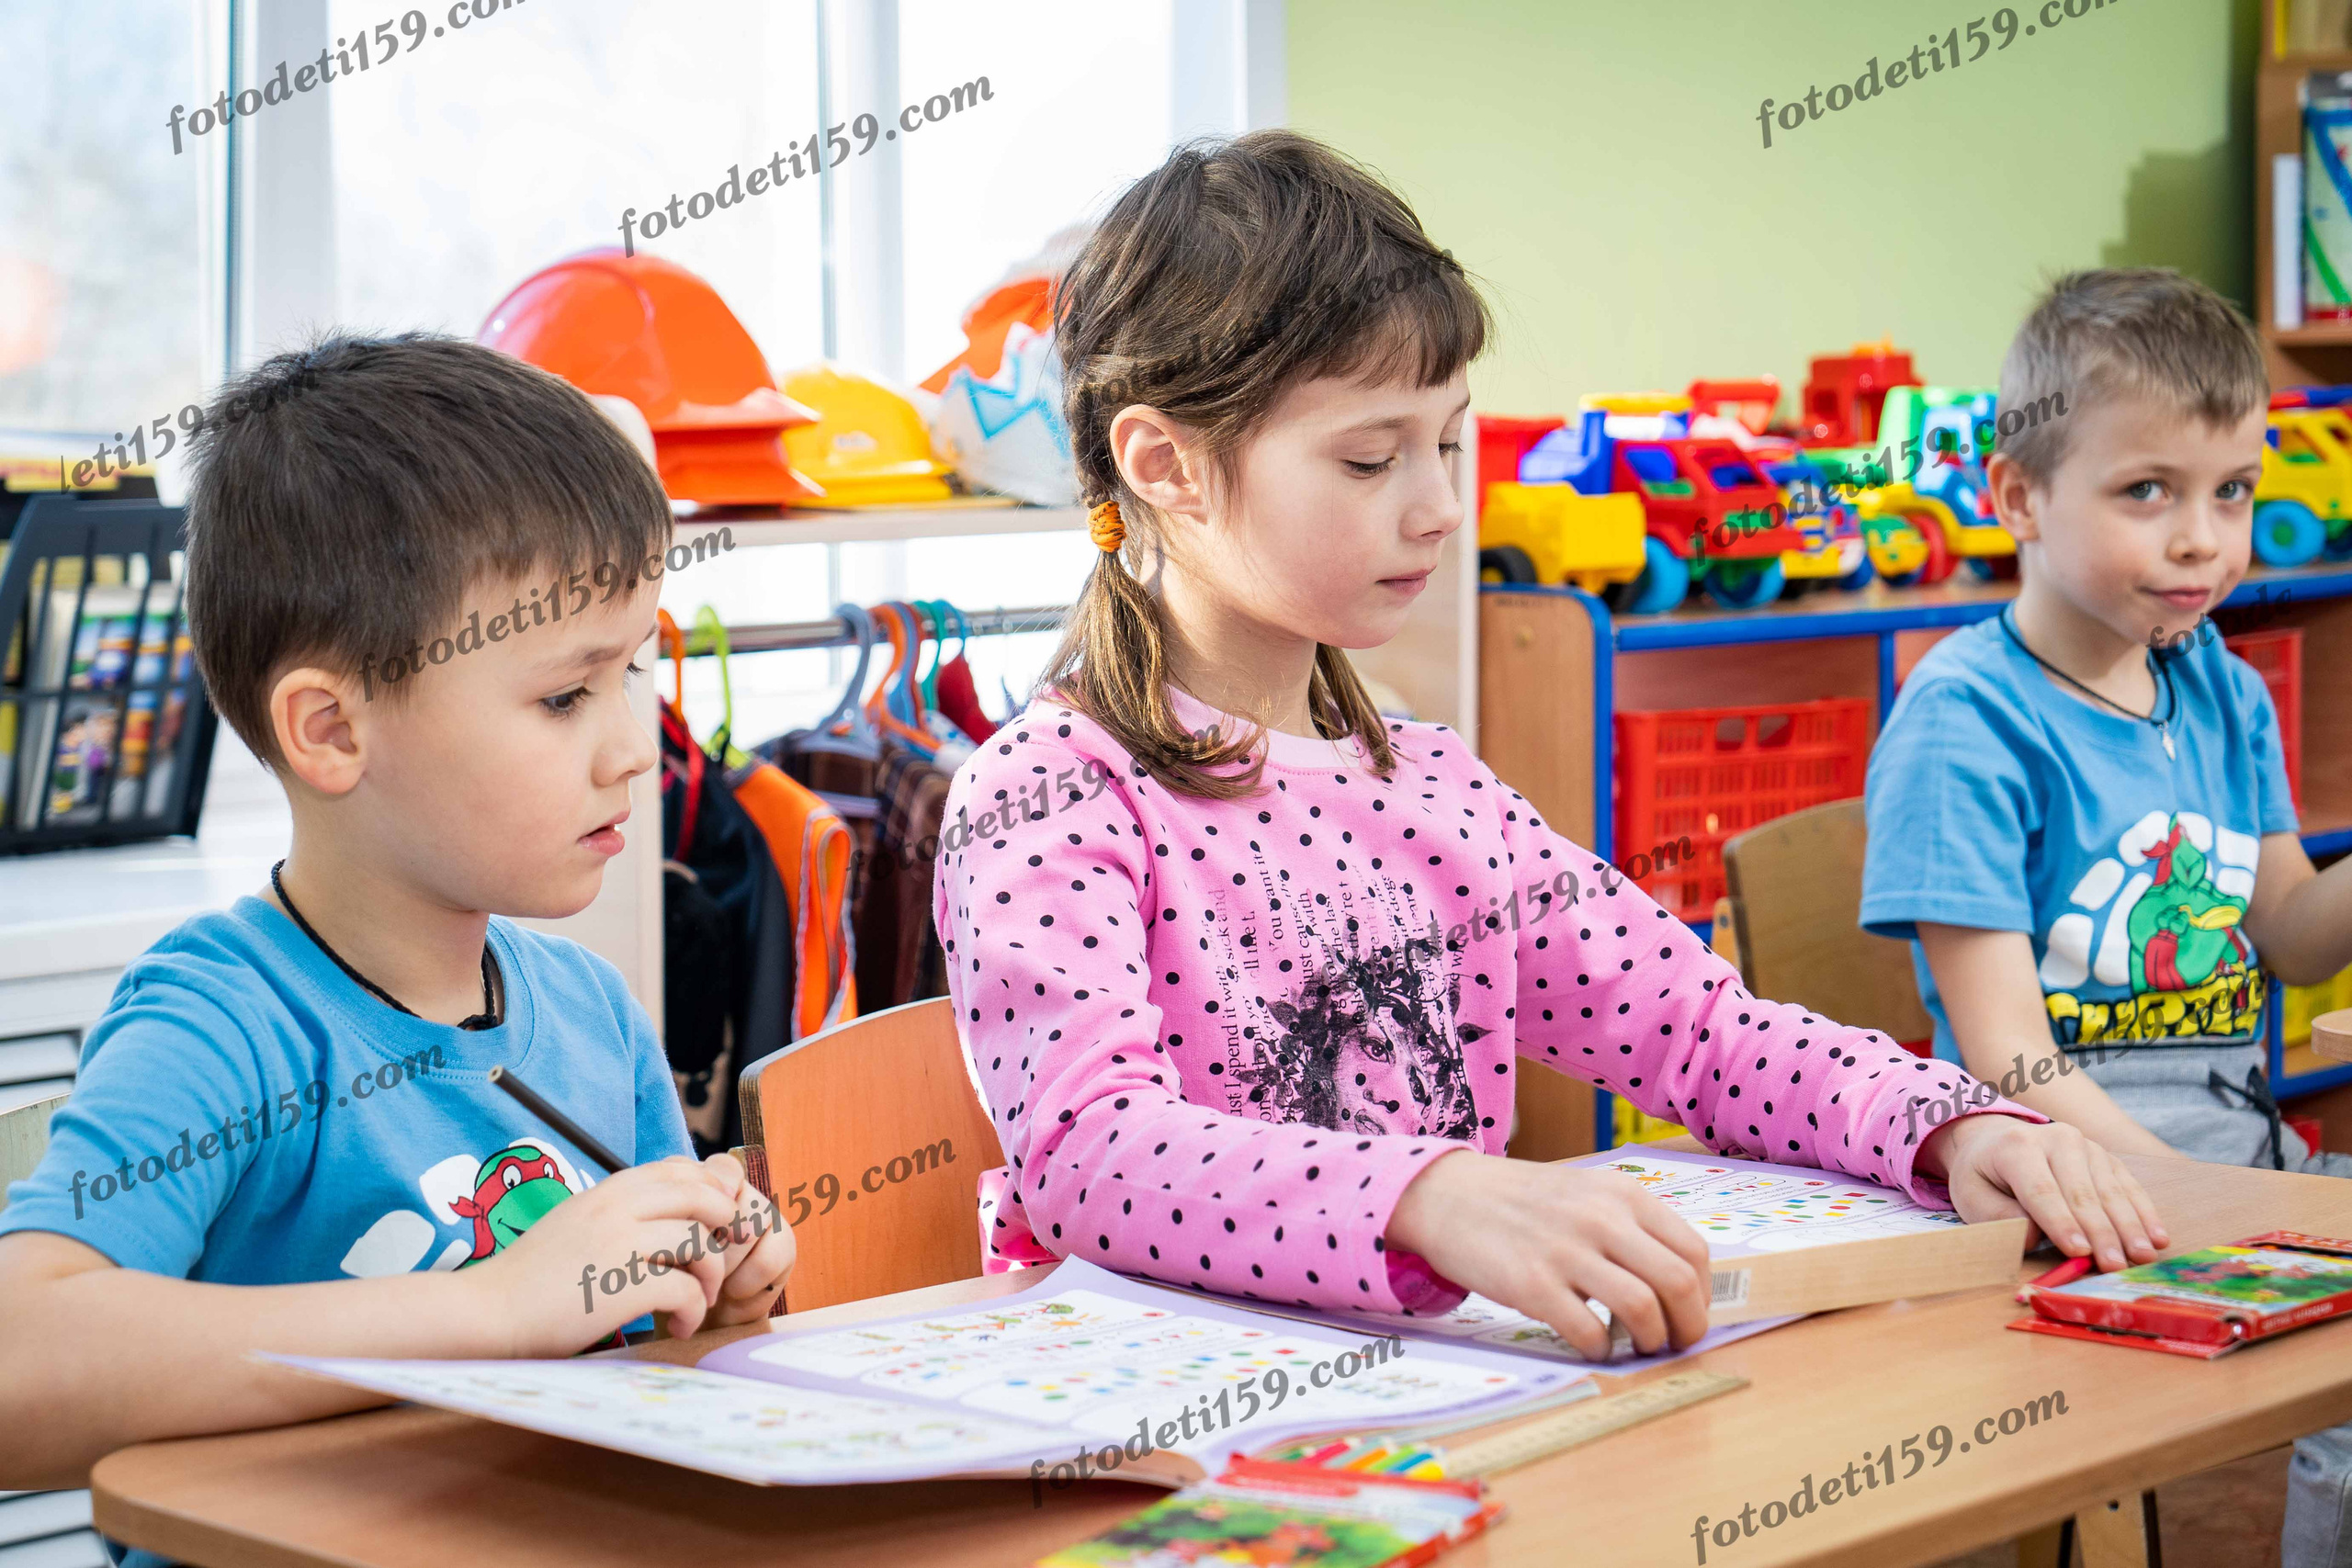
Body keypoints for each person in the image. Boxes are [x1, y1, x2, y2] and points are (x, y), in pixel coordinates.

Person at [933, 131, 2161, 1371]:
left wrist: (1948, 1121)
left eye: (1447, 442)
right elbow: (1090, 1149)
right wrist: (1441, 1195)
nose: (1439, 505)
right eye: (1371, 457)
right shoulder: (1046, 794)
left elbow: (1702, 1030)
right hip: (1157, 1440)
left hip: (1434, 1412)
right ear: (1165, 465)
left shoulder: (1432, 786)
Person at [0, 337, 793, 1519]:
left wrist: (714, 1305)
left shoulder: (590, 1014)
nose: (634, 748)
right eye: (566, 695)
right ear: (329, 732)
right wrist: (492, 1308)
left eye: (632, 675)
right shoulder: (223, 1025)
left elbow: (630, 1377)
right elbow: (21, 1371)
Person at [1862, 268, 2352, 1568]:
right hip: (2061, 1193)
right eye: (2150, 491)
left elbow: (2291, 931)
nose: (2204, 539)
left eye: (2232, 491)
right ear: (2020, 495)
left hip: (2233, 1163)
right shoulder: (1968, 721)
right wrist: (2196, 1193)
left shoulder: (2226, 692)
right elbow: (2005, 1060)